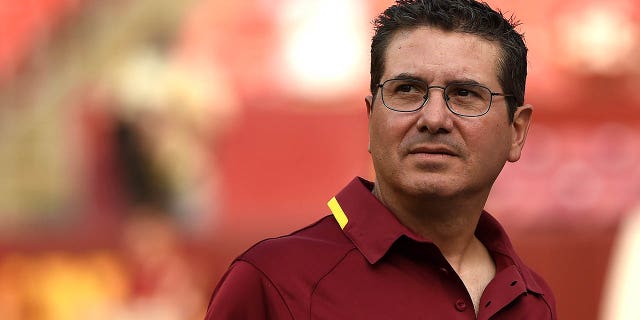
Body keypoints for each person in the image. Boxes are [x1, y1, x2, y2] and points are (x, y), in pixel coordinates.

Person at [205, 0, 557, 318]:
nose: (433, 119)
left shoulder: (530, 299)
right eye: (407, 90)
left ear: (517, 130)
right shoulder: (276, 283)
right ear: (370, 118)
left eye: (464, 94)